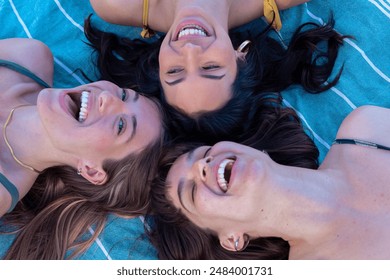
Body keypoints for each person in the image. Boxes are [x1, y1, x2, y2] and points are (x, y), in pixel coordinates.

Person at [149, 104, 390, 259]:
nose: (203, 165)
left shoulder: (366, 130)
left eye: (204, 153)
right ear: (232, 239)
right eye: (191, 192)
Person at [0, 38, 167, 259]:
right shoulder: (29, 56)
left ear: (91, 170)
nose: (108, 96)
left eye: (120, 126)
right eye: (125, 95)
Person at [87, 0, 347, 121]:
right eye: (210, 67)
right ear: (241, 57)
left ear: (158, 64)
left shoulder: (116, 4)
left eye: (175, 70)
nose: (189, 49)